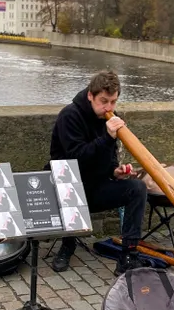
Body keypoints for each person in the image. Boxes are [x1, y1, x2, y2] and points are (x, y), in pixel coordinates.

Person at [49, 70, 147, 274]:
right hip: (66, 185)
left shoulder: (110, 119)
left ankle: (128, 255)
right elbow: (76, 158)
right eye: (104, 101)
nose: (108, 108)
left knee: (137, 188)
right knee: (69, 183)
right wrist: (107, 137)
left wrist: (115, 171)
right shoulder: (70, 116)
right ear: (90, 95)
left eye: (113, 102)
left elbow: (109, 158)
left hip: (95, 186)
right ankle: (67, 245)